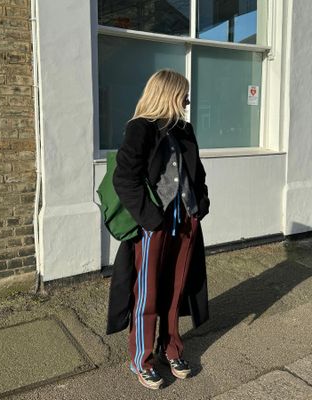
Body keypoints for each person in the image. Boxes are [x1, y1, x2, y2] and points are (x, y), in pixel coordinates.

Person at [106, 69, 210, 390]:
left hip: (186, 222)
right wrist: (150, 219)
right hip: (154, 227)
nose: (188, 100)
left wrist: (201, 205)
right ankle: (142, 358)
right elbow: (124, 178)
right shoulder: (140, 128)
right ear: (168, 94)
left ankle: (171, 347)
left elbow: (198, 173)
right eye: (184, 94)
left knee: (175, 290)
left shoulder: (185, 130)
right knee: (147, 293)